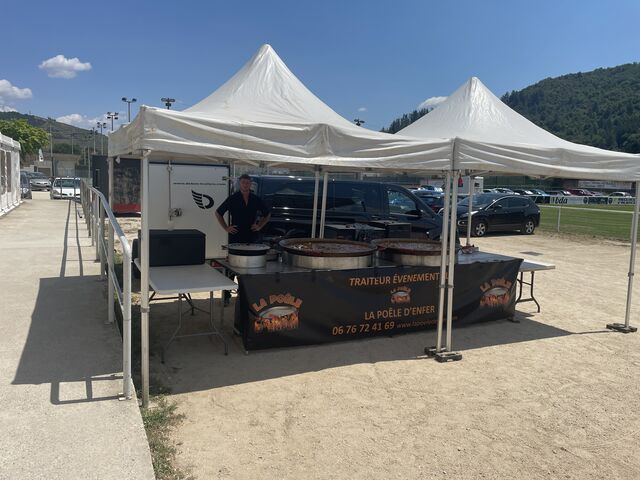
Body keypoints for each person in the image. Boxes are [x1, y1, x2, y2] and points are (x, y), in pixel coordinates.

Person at [215, 174, 271, 244]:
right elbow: (218, 213)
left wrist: (259, 226)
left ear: (250, 184)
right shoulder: (232, 198)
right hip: (236, 234)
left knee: (252, 251)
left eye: (247, 183)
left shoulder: (256, 199)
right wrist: (226, 227)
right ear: (240, 183)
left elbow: (267, 214)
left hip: (252, 234)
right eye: (243, 182)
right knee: (235, 251)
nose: (245, 185)